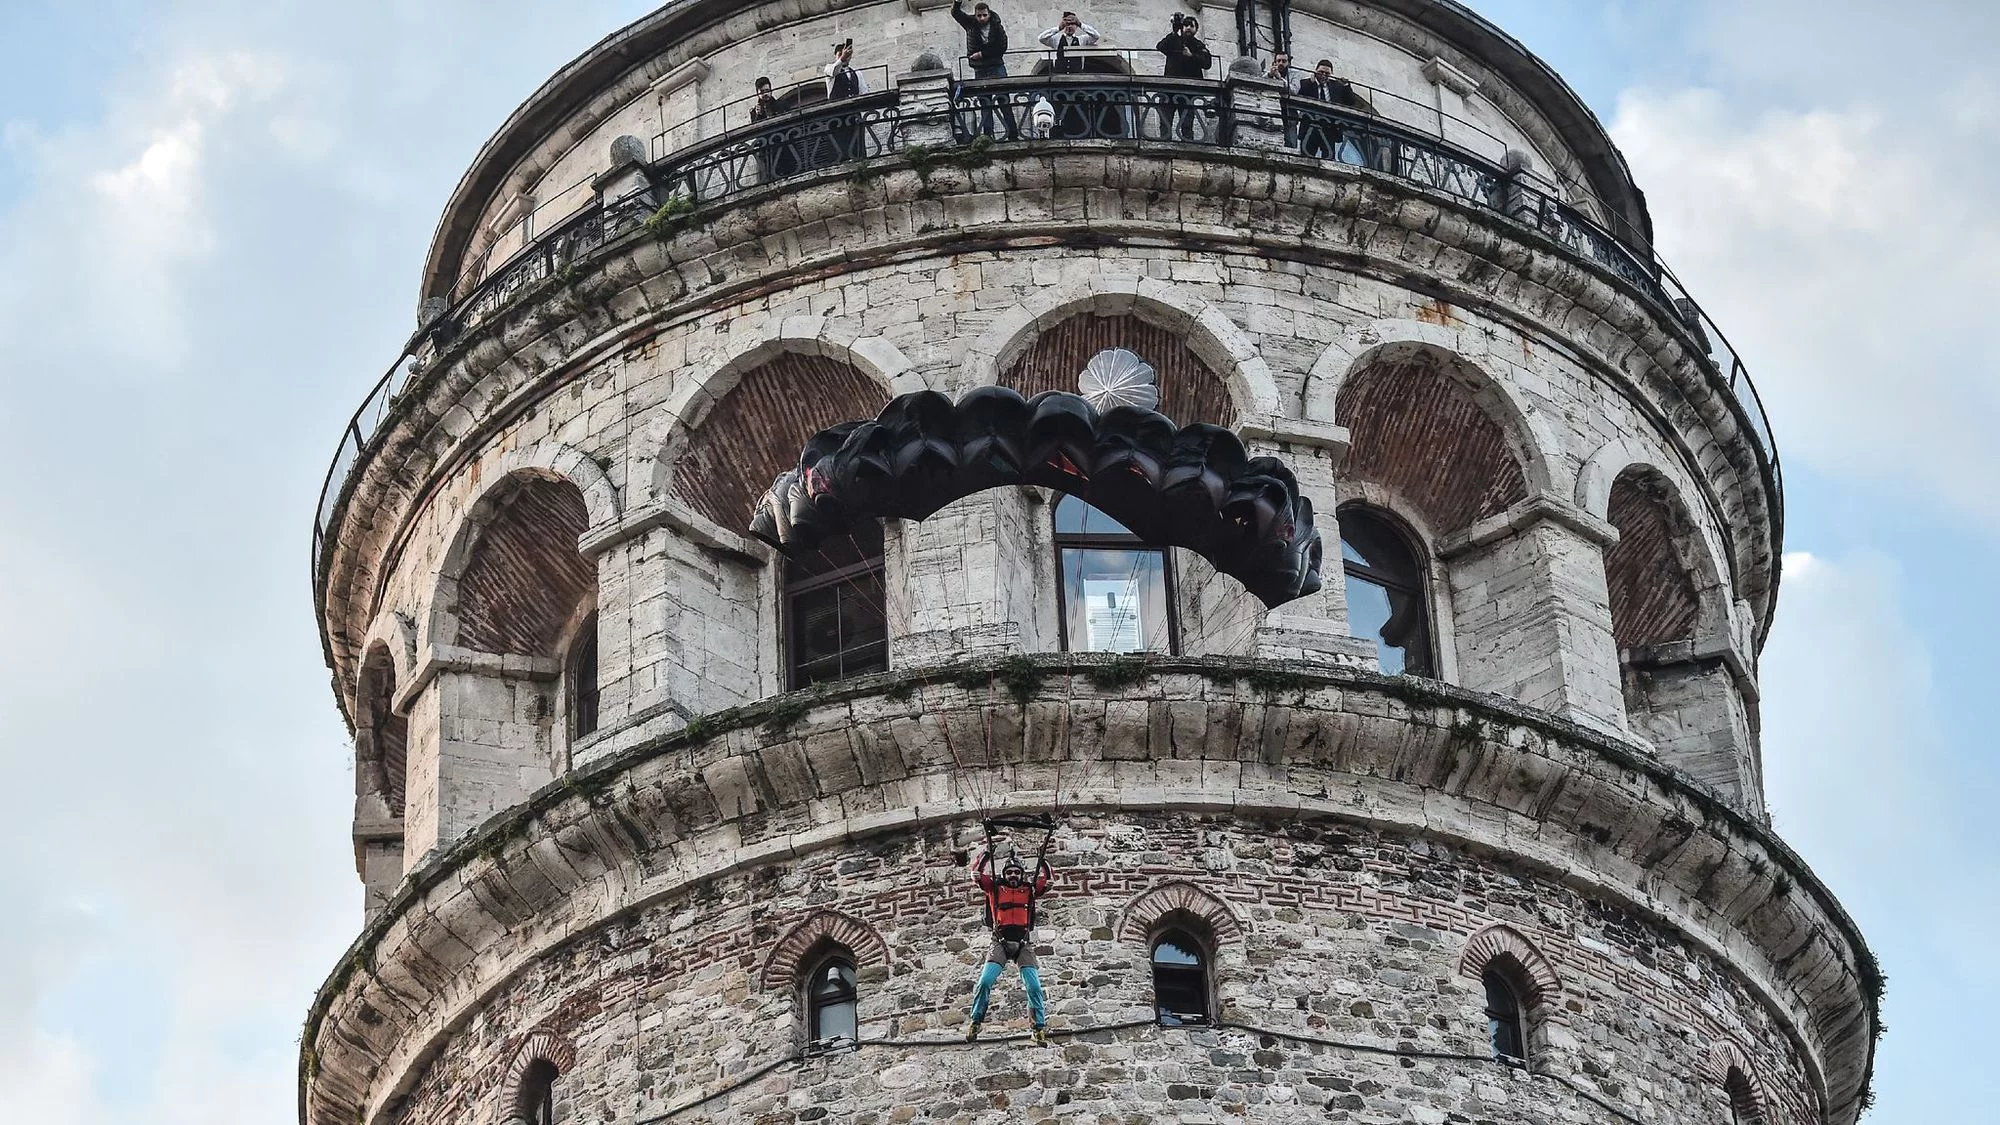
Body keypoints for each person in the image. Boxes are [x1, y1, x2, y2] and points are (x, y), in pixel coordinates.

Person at [965, 847, 1054, 1045]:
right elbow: (976, 874)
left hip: (1023, 942)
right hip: (1000, 942)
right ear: (1004, 874)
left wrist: (1043, 861)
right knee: (985, 982)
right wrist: (987, 855)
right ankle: (976, 1020)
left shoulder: (1028, 890)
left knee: (1034, 987)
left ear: (1021, 874)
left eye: (1016, 872)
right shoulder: (994, 889)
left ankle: (1038, 1027)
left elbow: (1048, 882)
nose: (1013, 875)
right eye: (1009, 872)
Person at [1154, 14, 1213, 140]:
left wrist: (1192, 56)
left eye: (1192, 26)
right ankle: (1164, 145)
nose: (1188, 28)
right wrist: (1174, 32)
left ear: (1196, 29)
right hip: (1169, 89)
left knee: (1187, 123)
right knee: (1165, 122)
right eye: (1185, 25)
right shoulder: (1174, 40)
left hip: (1188, 90)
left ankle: (1188, 143)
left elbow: (1207, 62)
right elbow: (1160, 46)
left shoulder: (1198, 45)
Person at [952, 0, 1011, 78]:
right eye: (979, 16)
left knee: (1003, 87)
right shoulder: (970, 23)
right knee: (982, 89)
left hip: (995, 64)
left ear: (989, 15)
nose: (982, 18)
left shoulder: (996, 26)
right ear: (975, 16)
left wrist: (982, 54)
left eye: (984, 15)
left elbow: (1002, 46)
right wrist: (957, 2)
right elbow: (956, 13)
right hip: (979, 67)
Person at [1038, 10, 1101, 75]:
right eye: (1067, 24)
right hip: (1059, 77)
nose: (1069, 27)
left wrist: (1080, 24)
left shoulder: (1081, 40)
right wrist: (1058, 28)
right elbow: (1041, 38)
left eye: (1072, 24)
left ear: (1076, 26)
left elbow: (1096, 36)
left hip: (1077, 77)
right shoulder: (1056, 39)